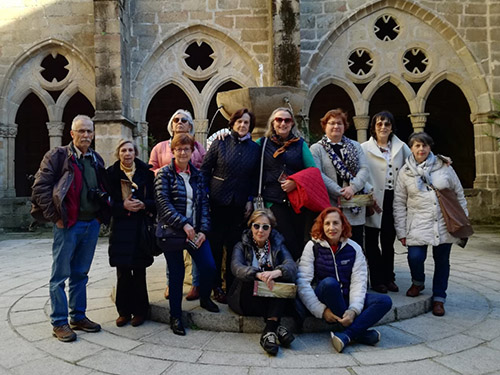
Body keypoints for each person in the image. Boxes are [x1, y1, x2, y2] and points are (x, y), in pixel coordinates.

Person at [31, 115, 109, 342]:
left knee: (80, 274)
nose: (86, 135)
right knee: (60, 275)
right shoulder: (57, 156)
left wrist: (99, 216)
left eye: (89, 132)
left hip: (90, 224)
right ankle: (59, 322)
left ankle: (78, 316)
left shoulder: (96, 159)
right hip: (68, 225)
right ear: (72, 134)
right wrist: (55, 217)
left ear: (93, 134)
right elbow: (40, 188)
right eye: (81, 131)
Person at [297, 207, 392, 353]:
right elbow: (303, 282)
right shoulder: (312, 246)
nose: (331, 228)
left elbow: (359, 283)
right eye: (327, 223)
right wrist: (322, 311)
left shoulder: (354, 248)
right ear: (322, 226)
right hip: (325, 295)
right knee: (330, 283)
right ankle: (360, 333)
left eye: (336, 223)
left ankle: (347, 335)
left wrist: (353, 310)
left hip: (347, 297)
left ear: (343, 226)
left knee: (384, 301)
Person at [393, 132, 468, 316]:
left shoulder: (444, 166)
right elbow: (399, 203)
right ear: (410, 148)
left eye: (424, 145)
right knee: (415, 257)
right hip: (417, 222)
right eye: (417, 145)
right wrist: (401, 231)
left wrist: (462, 220)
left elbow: (458, 193)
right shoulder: (405, 172)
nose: (421, 149)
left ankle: (439, 298)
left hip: (443, 222)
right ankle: (418, 281)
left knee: (442, 260)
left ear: (430, 147)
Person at [155, 133, 219, 336]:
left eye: (187, 149)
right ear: (173, 151)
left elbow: (204, 206)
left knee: (209, 267)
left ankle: (205, 298)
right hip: (173, 233)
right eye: (179, 149)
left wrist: (203, 231)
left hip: (195, 233)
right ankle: (175, 316)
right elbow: (163, 205)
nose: (183, 152)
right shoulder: (164, 174)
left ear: (192, 152)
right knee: (177, 274)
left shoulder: (198, 175)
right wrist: (184, 224)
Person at [201, 108, 260, 302]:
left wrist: (250, 200)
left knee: (235, 246)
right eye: (239, 122)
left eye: (246, 123)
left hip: (239, 204)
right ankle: (216, 286)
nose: (242, 125)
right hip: (217, 202)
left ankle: (232, 286)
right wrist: (206, 195)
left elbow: (254, 178)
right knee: (216, 246)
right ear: (233, 123)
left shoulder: (254, 148)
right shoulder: (221, 142)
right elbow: (204, 170)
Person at [149, 109, 206, 301]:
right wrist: (162, 174)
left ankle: (197, 285)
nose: (179, 123)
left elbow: (204, 169)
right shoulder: (160, 147)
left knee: (195, 245)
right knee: (171, 246)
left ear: (190, 125)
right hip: (171, 202)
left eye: (184, 120)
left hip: (192, 202)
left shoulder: (198, 147)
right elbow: (151, 168)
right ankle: (170, 283)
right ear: (171, 125)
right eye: (176, 120)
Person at [228, 209, 297, 355]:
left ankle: (269, 331)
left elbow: (291, 266)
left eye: (265, 226)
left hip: (270, 296)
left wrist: (276, 272)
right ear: (250, 226)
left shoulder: (278, 244)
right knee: (247, 278)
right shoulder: (241, 245)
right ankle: (276, 327)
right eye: (256, 226)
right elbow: (237, 268)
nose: (260, 230)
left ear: (271, 229)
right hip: (246, 299)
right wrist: (258, 274)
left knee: (281, 276)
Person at [256, 107, 316, 261]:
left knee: (297, 239)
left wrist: (295, 182)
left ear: (292, 124)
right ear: (273, 123)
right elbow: (246, 161)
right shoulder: (262, 144)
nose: (283, 123)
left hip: (296, 201)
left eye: (287, 120)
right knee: (285, 240)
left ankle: (297, 277)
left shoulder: (300, 144)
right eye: (279, 120)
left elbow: (312, 170)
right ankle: (284, 276)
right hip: (272, 200)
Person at [361, 111, 411, 294]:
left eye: (387, 124)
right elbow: (359, 171)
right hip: (373, 199)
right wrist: (368, 190)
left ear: (392, 127)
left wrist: (439, 161)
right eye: (379, 124)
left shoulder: (401, 146)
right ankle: (377, 279)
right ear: (373, 126)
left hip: (393, 198)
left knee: (388, 241)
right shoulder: (364, 148)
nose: (383, 127)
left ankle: (389, 277)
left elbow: (414, 163)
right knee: (372, 242)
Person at [107, 139, 155, 327]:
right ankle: (124, 312)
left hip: (140, 226)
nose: (127, 154)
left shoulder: (146, 173)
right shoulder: (111, 174)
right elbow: (107, 203)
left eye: (130, 150)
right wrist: (122, 206)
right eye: (123, 150)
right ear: (118, 153)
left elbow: (154, 199)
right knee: (123, 271)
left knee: (140, 270)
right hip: (121, 227)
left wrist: (144, 204)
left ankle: (141, 311)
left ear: (135, 153)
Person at [310, 109, 370, 250]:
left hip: (353, 204)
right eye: (331, 123)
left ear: (344, 126)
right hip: (331, 204)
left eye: (339, 123)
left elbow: (365, 169)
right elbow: (318, 174)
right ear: (325, 126)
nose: (336, 126)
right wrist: (340, 191)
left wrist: (352, 188)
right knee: (333, 245)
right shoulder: (316, 149)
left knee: (356, 246)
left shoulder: (355, 146)